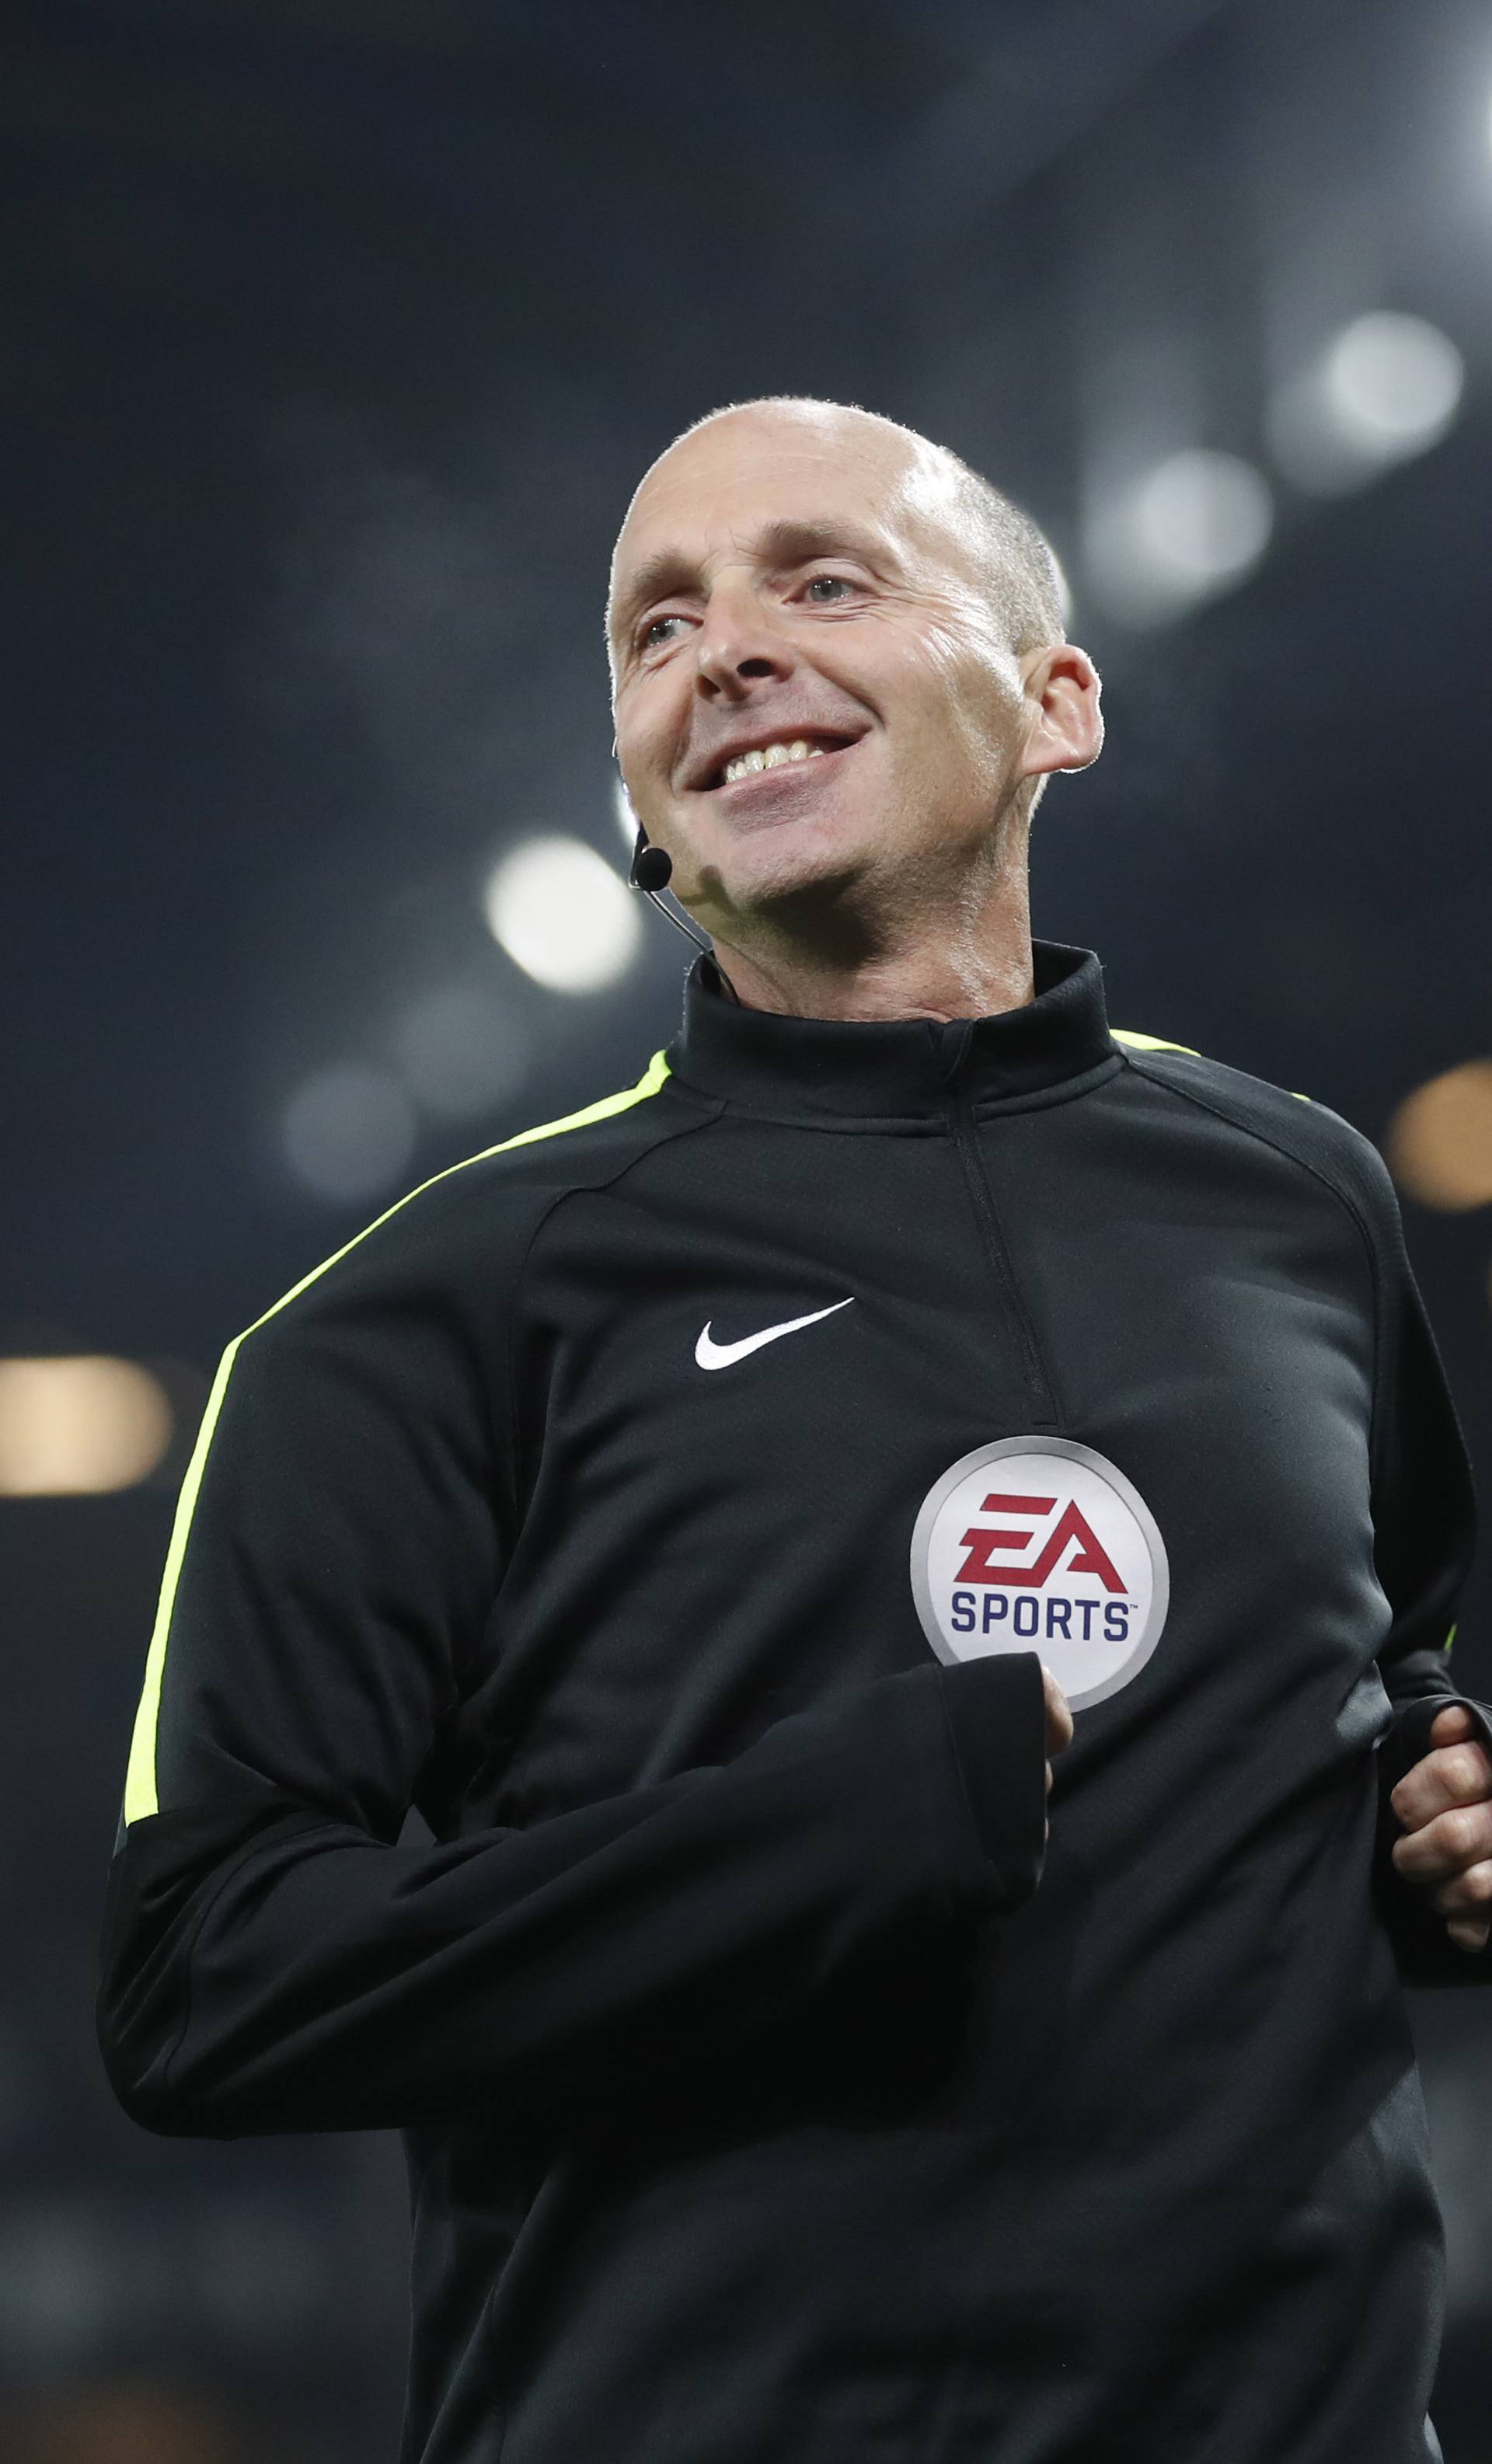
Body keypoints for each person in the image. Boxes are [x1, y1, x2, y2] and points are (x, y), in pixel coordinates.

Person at [100, 396, 1492, 2464]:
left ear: (1056, 703)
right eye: (656, 630)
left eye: (820, 580)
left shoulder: (1297, 1196)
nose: (722, 648)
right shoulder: (420, 1311)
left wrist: (1440, 1845)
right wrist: (805, 1841)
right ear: (645, 808)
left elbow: (1385, 1690)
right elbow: (199, 1979)